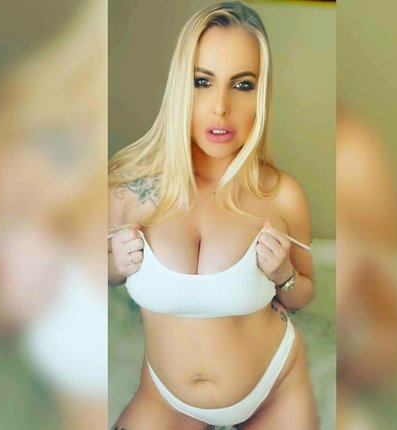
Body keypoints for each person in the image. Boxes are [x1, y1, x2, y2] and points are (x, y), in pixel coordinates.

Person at [109, 2, 318, 429]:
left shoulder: (282, 195)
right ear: (180, 87)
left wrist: (283, 275)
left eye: (242, 85)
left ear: (260, 94)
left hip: (274, 388)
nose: (220, 106)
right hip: (165, 398)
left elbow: (303, 294)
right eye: (202, 81)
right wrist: (113, 264)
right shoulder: (128, 189)